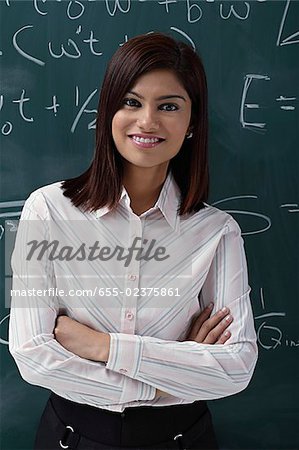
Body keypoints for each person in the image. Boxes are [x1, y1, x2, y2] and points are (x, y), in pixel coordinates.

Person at [9, 32, 258, 450]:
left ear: (192, 122)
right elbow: (33, 356)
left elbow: (236, 368)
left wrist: (101, 346)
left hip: (184, 439)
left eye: (168, 106)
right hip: (70, 437)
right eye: (131, 102)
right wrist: (164, 383)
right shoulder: (47, 210)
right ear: (108, 111)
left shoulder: (217, 232)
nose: (147, 121)